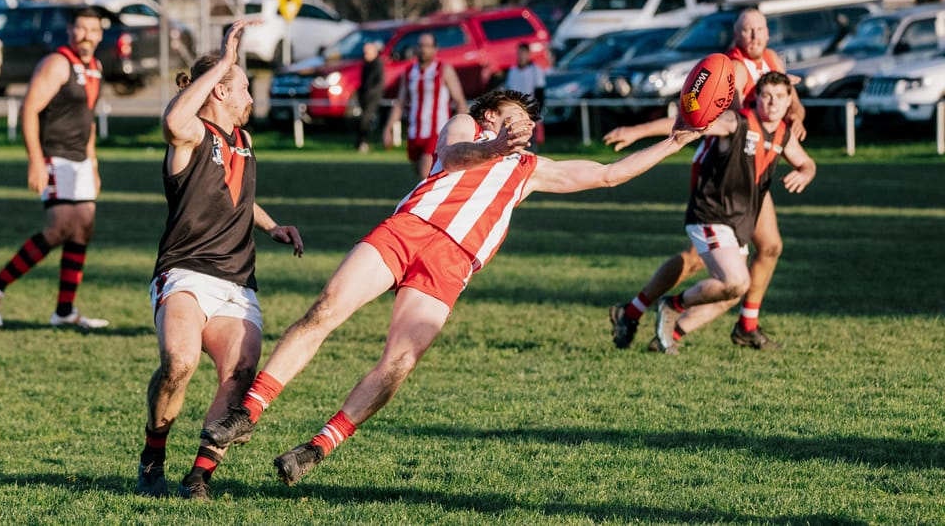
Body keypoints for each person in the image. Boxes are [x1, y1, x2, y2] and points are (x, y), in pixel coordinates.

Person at [199, 89, 702, 486]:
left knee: (399, 362)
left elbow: (609, 175)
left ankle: (317, 447)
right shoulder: (470, 125)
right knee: (326, 309)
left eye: (528, 121)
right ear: (492, 114)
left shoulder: (531, 170)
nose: (522, 123)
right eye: (513, 113)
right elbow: (455, 153)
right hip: (410, 228)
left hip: (452, 262)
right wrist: (492, 146)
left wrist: (674, 142)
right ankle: (249, 413)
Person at [136, 21, 304, 500]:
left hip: (237, 282)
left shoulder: (244, 143)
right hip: (186, 271)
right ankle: (153, 455)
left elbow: (234, 197)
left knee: (241, 373)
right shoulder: (191, 135)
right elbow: (172, 122)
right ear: (221, 91)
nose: (251, 97)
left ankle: (199, 476)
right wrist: (224, 63)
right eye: (244, 89)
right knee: (179, 362)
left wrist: (270, 226)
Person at [605, 8, 807, 351]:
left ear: (768, 33)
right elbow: (695, 114)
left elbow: (794, 105)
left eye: (759, 29)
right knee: (698, 261)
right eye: (747, 31)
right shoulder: (735, 71)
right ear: (736, 36)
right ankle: (635, 310)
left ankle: (745, 324)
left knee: (769, 247)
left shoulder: (772, 60)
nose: (754, 36)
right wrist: (638, 129)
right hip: (722, 169)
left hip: (755, 169)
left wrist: (796, 119)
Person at [651, 72, 816, 354]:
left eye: (779, 96)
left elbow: (807, 162)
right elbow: (697, 125)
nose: (772, 103)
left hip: (737, 222)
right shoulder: (737, 122)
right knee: (736, 281)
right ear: (757, 98)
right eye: (766, 95)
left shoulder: (783, 134)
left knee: (731, 292)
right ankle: (671, 305)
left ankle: (670, 334)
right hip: (711, 214)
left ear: (790, 100)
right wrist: (635, 131)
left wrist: (805, 173)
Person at [0, 6, 110, 329]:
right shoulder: (57, 63)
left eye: (92, 30)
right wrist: (35, 160)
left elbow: (87, 119)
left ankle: (64, 311)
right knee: (61, 226)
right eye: (80, 29)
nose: (86, 35)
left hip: (80, 159)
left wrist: (93, 163)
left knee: (83, 227)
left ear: (100, 35)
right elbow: (30, 110)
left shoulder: (95, 68)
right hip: (55, 155)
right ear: (71, 32)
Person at [382, 32, 468, 179]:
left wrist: (458, 131)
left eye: (427, 46)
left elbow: (460, 101)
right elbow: (400, 103)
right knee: (423, 177)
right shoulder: (409, 72)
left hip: (437, 133)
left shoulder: (443, 70)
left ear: (435, 49)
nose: (423, 49)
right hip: (414, 133)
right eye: (420, 45)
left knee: (425, 176)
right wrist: (388, 128)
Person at [504, 42, 546, 148]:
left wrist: (537, 113)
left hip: (530, 110)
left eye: (523, 53)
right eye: (519, 53)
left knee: (530, 141)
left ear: (528, 54)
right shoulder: (512, 71)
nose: (521, 56)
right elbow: (509, 92)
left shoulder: (535, 70)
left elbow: (540, 92)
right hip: (515, 110)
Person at [355, 40, 385, 153]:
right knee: (363, 120)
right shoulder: (366, 64)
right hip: (365, 97)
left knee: (365, 120)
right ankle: (361, 142)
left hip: (373, 97)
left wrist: (370, 93)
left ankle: (363, 142)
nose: (365, 54)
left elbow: (379, 83)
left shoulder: (378, 64)